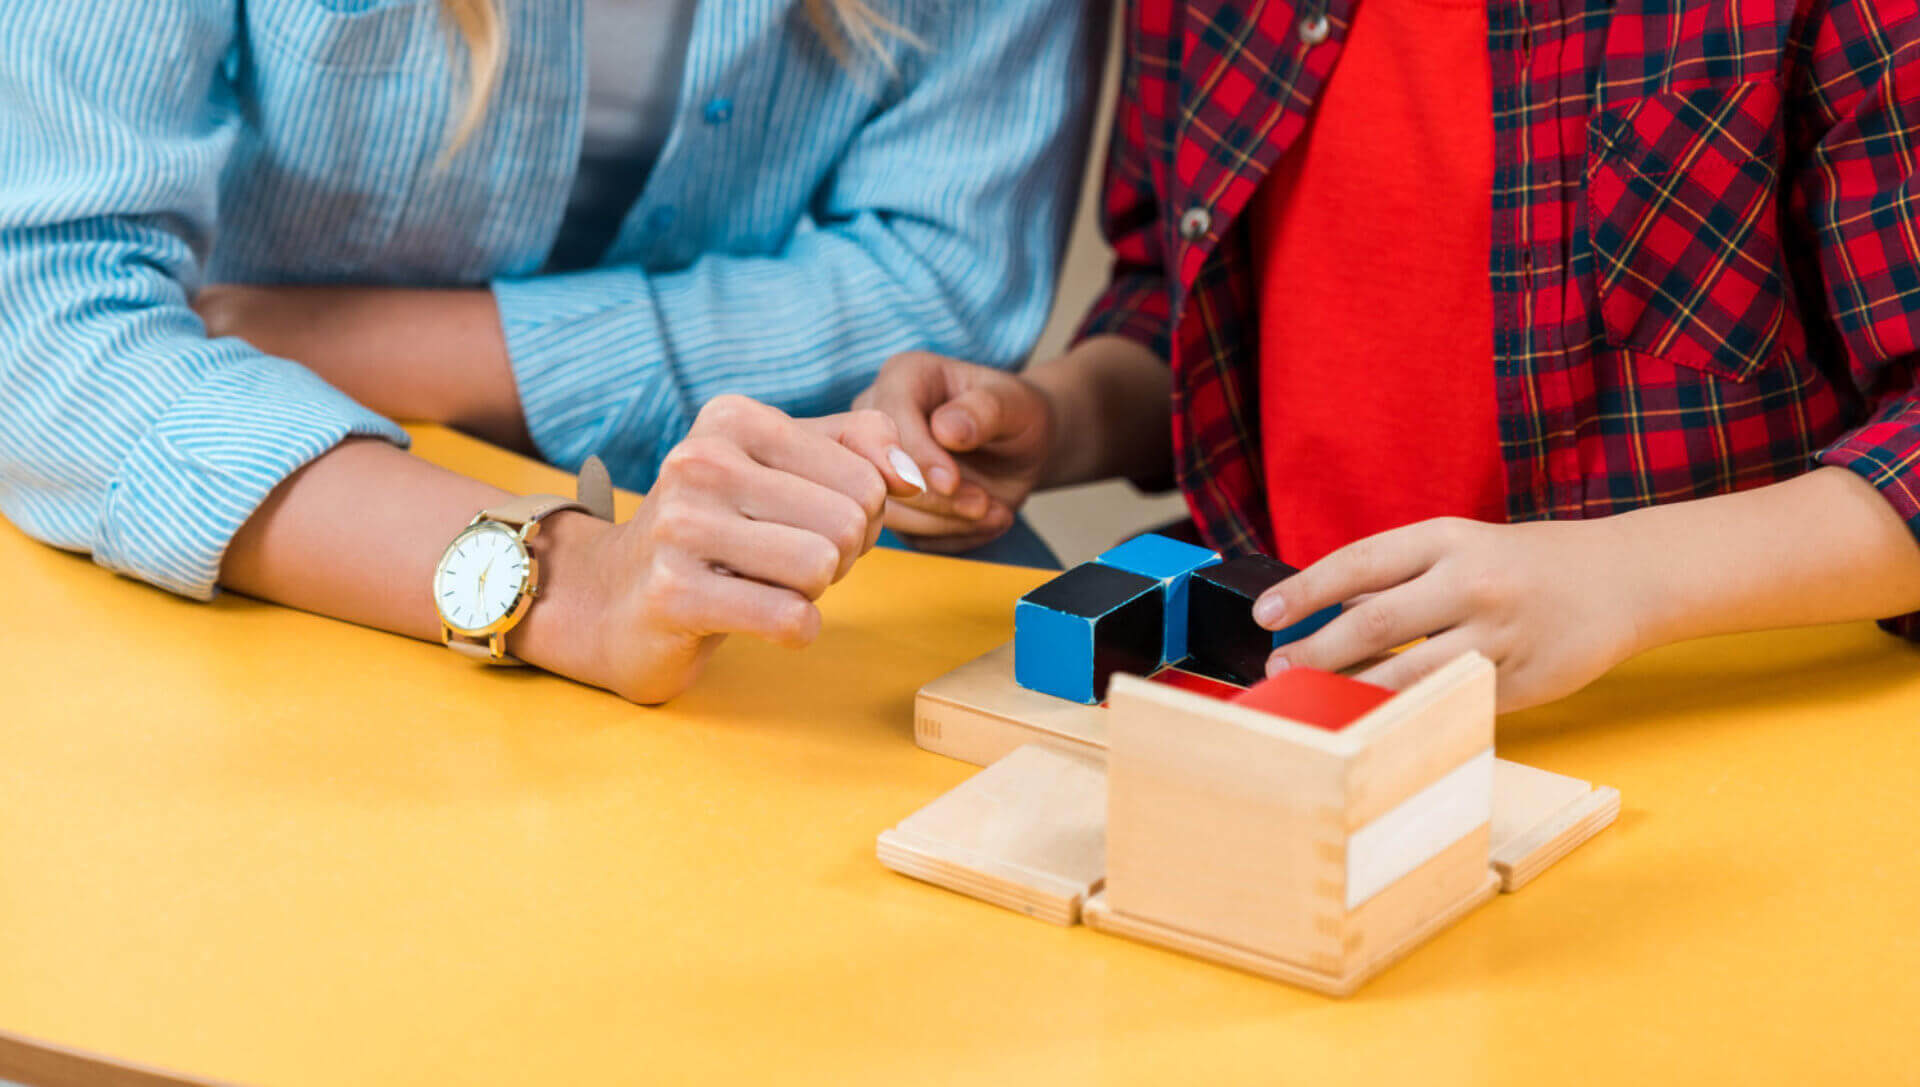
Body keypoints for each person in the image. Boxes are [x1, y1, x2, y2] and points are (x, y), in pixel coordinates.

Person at [0, 0, 1097, 703]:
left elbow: (941, 287)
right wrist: (573, 585)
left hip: (784, 618)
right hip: (235, 596)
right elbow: (43, 319)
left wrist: (388, 347)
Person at [858, 0, 1920, 712]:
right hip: (1297, 684)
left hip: (1702, 714)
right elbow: (1171, 304)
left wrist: (1624, 581)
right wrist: (1057, 416)